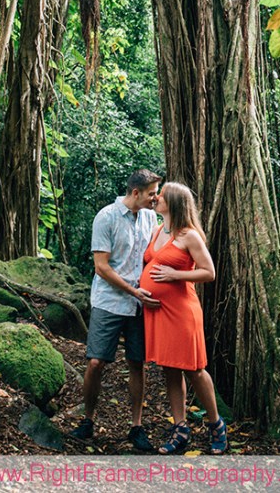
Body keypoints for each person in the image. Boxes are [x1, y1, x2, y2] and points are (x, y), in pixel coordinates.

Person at [70, 169, 162, 452]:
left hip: (138, 303)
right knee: (97, 361)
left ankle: (136, 426)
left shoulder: (150, 217)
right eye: (151, 193)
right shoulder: (106, 217)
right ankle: (87, 419)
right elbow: (102, 266)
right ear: (136, 193)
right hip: (110, 301)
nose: (155, 198)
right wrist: (133, 291)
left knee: (137, 362)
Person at [140, 181, 227, 455]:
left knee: (194, 368)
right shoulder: (158, 230)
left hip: (182, 311)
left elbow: (208, 272)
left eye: (161, 196)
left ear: (174, 203)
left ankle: (216, 424)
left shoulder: (190, 236)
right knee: (169, 367)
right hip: (158, 311)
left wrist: (174, 275)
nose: (156, 199)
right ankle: (180, 428)